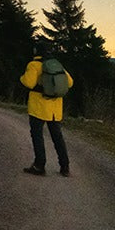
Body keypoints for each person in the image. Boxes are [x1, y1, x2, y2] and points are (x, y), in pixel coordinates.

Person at [20, 45, 73, 176]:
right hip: (55, 109)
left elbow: (29, 83)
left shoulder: (33, 65)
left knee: (37, 136)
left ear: (36, 52)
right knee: (57, 137)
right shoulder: (57, 65)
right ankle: (65, 167)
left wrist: (22, 77)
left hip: (38, 107)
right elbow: (70, 82)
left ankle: (39, 165)